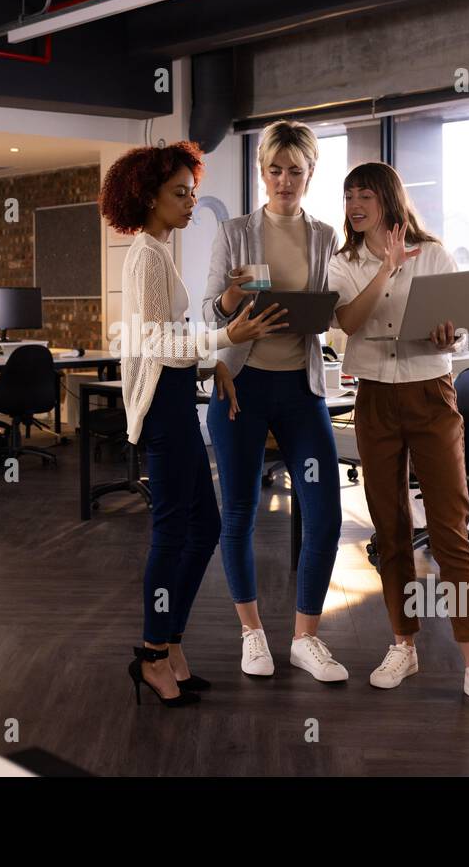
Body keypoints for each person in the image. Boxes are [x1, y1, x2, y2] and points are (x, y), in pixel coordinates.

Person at [103, 141, 288, 707]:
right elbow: (154, 340)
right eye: (179, 193)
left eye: (192, 191)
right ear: (148, 196)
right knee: (173, 532)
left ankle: (170, 646)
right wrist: (225, 340)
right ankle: (154, 655)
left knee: (203, 528)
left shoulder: (160, 250)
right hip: (162, 407)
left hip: (178, 397)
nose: (190, 202)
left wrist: (213, 365)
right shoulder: (146, 257)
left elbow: (170, 337)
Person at [329, 161, 469, 714]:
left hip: (432, 394)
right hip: (375, 401)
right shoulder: (343, 262)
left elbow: (459, 328)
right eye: (349, 195)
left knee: (451, 529)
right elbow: (350, 323)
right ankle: (402, 645)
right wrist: (384, 269)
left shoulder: (433, 254)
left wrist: (449, 331)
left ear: (388, 199)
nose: (356, 204)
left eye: (365, 194)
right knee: (391, 528)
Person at [201, 120, 347, 683]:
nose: (285, 180)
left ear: (310, 174)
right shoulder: (235, 231)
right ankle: (252, 633)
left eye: (296, 170)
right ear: (262, 172)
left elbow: (331, 312)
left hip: (300, 388)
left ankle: (305, 640)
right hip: (242, 384)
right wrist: (232, 298)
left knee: (326, 515)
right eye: (275, 169)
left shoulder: (324, 235)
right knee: (238, 512)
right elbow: (213, 312)